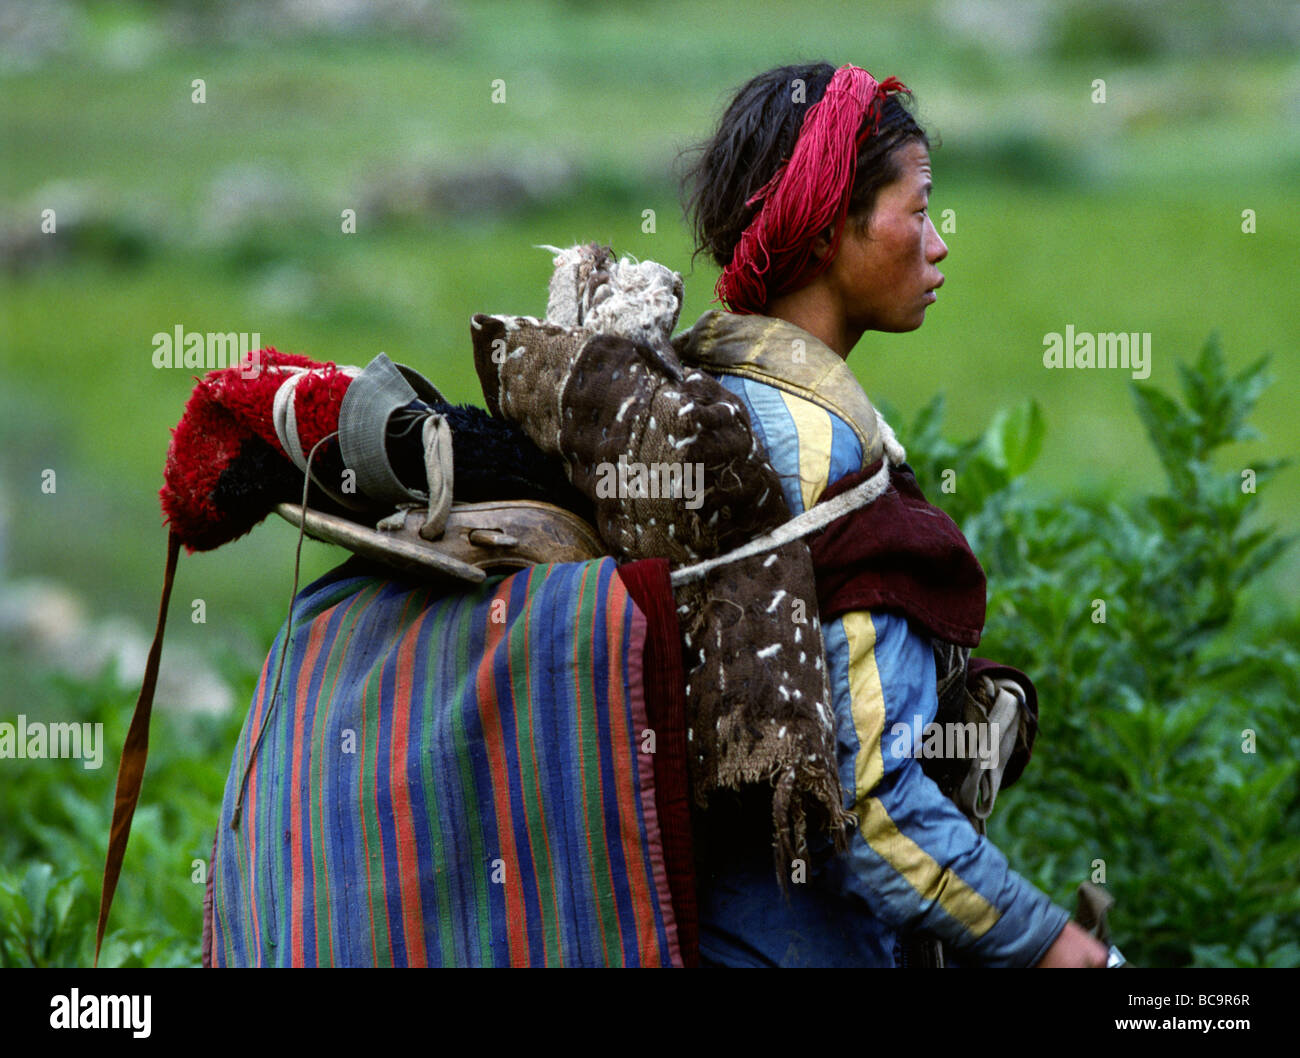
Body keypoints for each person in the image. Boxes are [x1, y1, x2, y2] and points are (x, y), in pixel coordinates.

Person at [675, 61, 1109, 968]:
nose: (938, 243)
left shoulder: (699, 398)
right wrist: (1066, 951)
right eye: (919, 210)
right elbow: (872, 803)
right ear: (832, 226)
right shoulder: (823, 460)